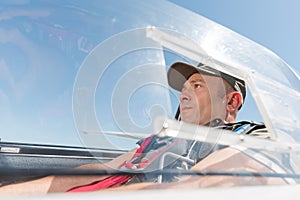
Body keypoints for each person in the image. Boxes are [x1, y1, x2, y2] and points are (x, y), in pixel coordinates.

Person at [0, 62, 287, 195]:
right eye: (183, 88)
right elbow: (103, 172)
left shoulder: (253, 138)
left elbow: (205, 185)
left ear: (232, 101)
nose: (183, 94)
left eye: (197, 86)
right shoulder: (159, 141)